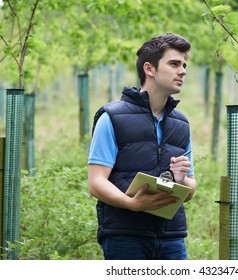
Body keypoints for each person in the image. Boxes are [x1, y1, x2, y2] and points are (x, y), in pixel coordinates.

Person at [88, 32, 196, 260]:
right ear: (149, 69)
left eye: (184, 65)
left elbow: (190, 190)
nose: (183, 70)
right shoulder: (112, 117)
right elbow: (96, 183)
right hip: (125, 236)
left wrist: (181, 179)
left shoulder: (181, 123)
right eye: (174, 64)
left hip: (172, 237)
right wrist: (131, 203)